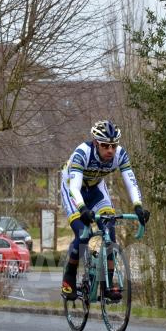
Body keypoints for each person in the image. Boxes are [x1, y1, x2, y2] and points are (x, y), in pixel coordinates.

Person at [60, 120, 149, 301]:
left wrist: (138, 206)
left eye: (113, 146)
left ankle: (107, 283)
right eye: (105, 146)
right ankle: (69, 276)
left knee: (110, 232)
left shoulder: (120, 155)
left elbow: (131, 182)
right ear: (95, 143)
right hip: (72, 188)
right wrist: (83, 209)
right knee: (83, 234)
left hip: (96, 190)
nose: (110, 150)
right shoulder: (82, 153)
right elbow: (74, 188)